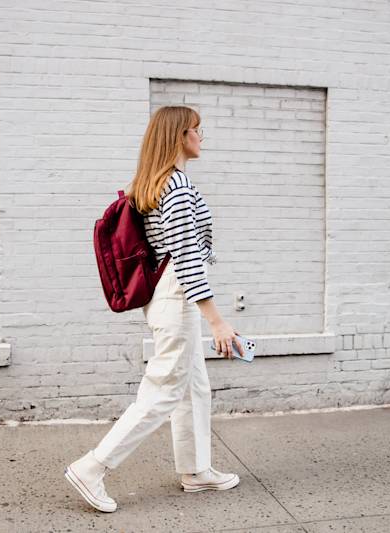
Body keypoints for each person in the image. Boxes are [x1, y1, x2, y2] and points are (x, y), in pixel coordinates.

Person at [64, 105, 245, 513]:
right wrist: (217, 321)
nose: (202, 137)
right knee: (163, 390)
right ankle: (91, 467)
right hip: (178, 296)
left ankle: (196, 470)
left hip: (169, 296)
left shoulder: (157, 182)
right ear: (180, 136)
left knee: (193, 386)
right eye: (197, 130)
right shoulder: (175, 186)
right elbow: (186, 255)